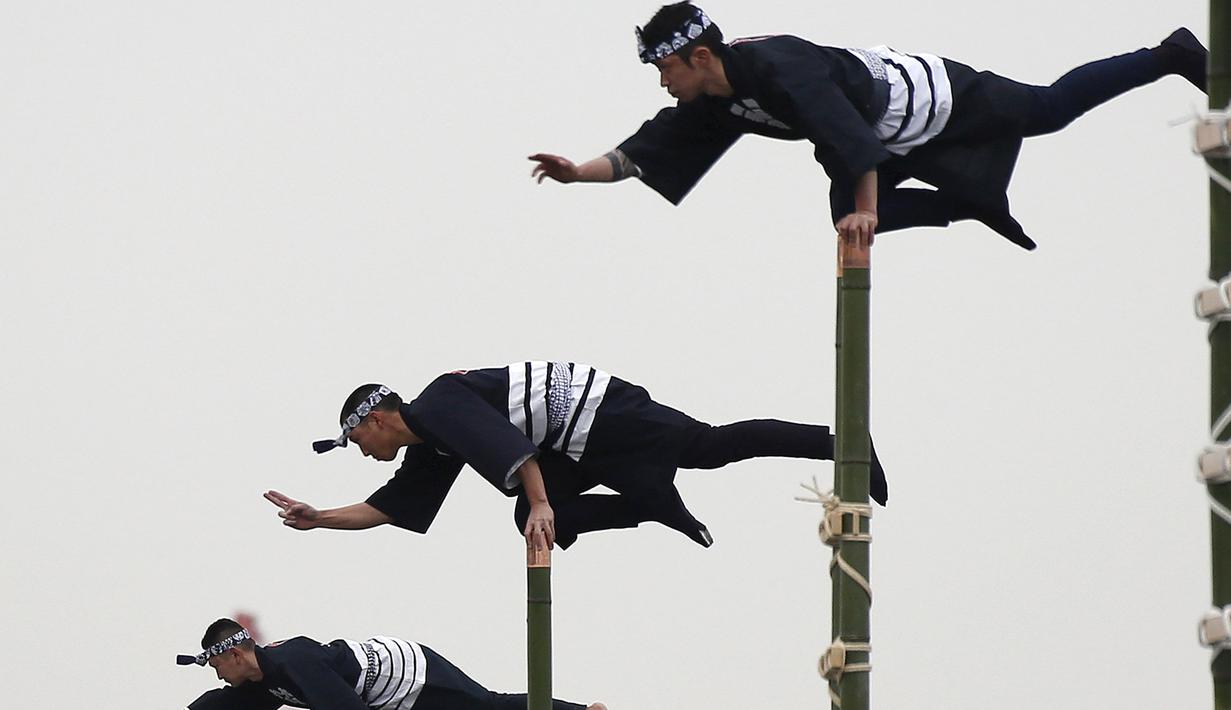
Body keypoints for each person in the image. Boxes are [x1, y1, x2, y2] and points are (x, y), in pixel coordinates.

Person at [528, 2, 1207, 250]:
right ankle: (971, 204)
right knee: (848, 219)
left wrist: (866, 209)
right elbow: (650, 147)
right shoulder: (712, 101)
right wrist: (578, 173)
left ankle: (1168, 55)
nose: (662, 81)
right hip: (876, 139)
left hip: (936, 98)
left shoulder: (779, 67)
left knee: (1047, 110)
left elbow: (845, 135)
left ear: (700, 56)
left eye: (665, 68)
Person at [265, 361, 887, 551]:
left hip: (602, 413)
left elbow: (510, 454)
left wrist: (540, 503)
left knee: (710, 448)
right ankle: (651, 506)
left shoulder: (439, 404)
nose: (362, 452)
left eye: (357, 440)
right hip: (577, 442)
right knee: (532, 514)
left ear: (376, 420)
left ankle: (842, 445)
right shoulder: (431, 441)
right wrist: (320, 519)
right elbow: (391, 507)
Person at [179, 618, 604, 710]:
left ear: (235, 655)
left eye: (217, 666)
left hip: (408, 672)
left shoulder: (294, 661)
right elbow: (223, 705)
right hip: (380, 694)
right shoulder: (262, 680)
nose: (219, 676)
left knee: (486, 706)